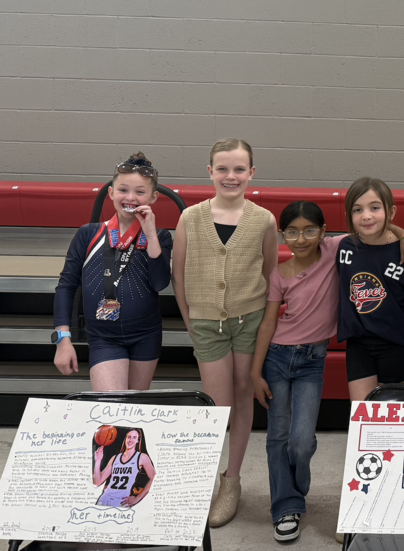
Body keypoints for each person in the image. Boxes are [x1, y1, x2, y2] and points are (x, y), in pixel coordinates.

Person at [171, 138, 277, 527]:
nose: (230, 176)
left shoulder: (264, 219)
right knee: (217, 406)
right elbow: (178, 276)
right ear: (210, 172)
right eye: (222, 168)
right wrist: (191, 321)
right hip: (205, 323)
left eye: (238, 169)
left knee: (244, 396)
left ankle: (231, 480)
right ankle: (206, 478)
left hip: (248, 319)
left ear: (251, 173)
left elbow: (269, 275)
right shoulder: (190, 218)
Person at [248, 201, 340, 542]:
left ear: (323, 232)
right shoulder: (279, 274)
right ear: (282, 234)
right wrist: (256, 373)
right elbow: (269, 322)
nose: (301, 239)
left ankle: (297, 486)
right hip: (276, 359)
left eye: (309, 230)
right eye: (292, 232)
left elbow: (374, 230)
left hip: (311, 362)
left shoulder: (333, 251)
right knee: (278, 436)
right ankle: (285, 505)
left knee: (302, 441)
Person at [53, 153, 172, 391]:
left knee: (134, 418)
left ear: (153, 197)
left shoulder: (160, 237)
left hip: (145, 336)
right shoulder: (88, 234)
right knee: (111, 408)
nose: (131, 197)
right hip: (103, 337)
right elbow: (66, 286)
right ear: (111, 193)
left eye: (140, 192)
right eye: (123, 190)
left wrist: (150, 236)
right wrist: (62, 339)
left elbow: (160, 283)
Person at [336, 177, 404, 402]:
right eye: (357, 210)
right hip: (358, 342)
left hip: (394, 343)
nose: (366, 215)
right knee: (361, 413)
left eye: (375, 208)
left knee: (385, 418)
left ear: (390, 211)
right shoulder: (345, 246)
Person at [94, 428, 156, 508]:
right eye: (129, 437)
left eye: (134, 437)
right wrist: (98, 461)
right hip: (104, 498)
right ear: (125, 438)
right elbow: (97, 482)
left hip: (122, 501)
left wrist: (137, 499)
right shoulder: (115, 458)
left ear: (138, 440)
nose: (131, 440)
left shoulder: (142, 457)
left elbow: (154, 477)